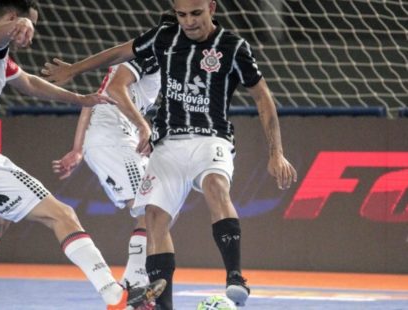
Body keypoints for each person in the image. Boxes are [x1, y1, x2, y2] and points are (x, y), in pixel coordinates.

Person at [42, 0, 298, 309]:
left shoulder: (232, 46)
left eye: (195, 14)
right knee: (153, 217)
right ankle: (160, 303)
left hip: (210, 138)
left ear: (211, 8)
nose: (188, 22)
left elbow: (263, 96)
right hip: (165, 143)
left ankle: (234, 277)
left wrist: (277, 153)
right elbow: (119, 53)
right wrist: (74, 69)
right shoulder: (164, 38)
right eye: (182, 15)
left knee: (216, 185)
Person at [0, 1, 165, 309]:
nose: (31, 36)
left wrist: (79, 98)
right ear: (11, 16)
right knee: (62, 214)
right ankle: (116, 296)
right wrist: (18, 27)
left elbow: (30, 83)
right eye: (29, 24)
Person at [52, 55, 161, 288]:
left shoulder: (148, 62)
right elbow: (113, 89)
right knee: (150, 208)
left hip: (116, 139)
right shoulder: (151, 55)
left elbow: (92, 101)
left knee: (157, 208)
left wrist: (78, 149)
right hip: (113, 138)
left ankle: (135, 281)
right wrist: (143, 125)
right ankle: (133, 284)